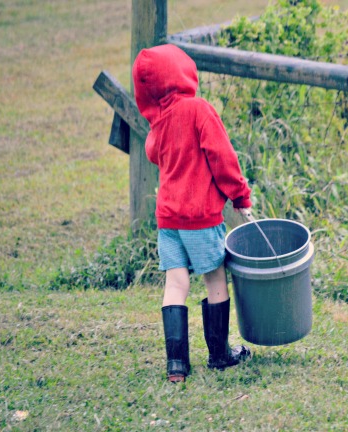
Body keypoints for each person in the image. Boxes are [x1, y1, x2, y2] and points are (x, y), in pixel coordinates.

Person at [132, 44, 252, 382]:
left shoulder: (160, 123)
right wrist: (239, 194)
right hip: (200, 218)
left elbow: (153, 152)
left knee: (175, 282)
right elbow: (223, 158)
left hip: (168, 220)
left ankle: (176, 364)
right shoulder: (199, 110)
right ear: (183, 74)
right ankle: (219, 354)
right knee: (215, 277)